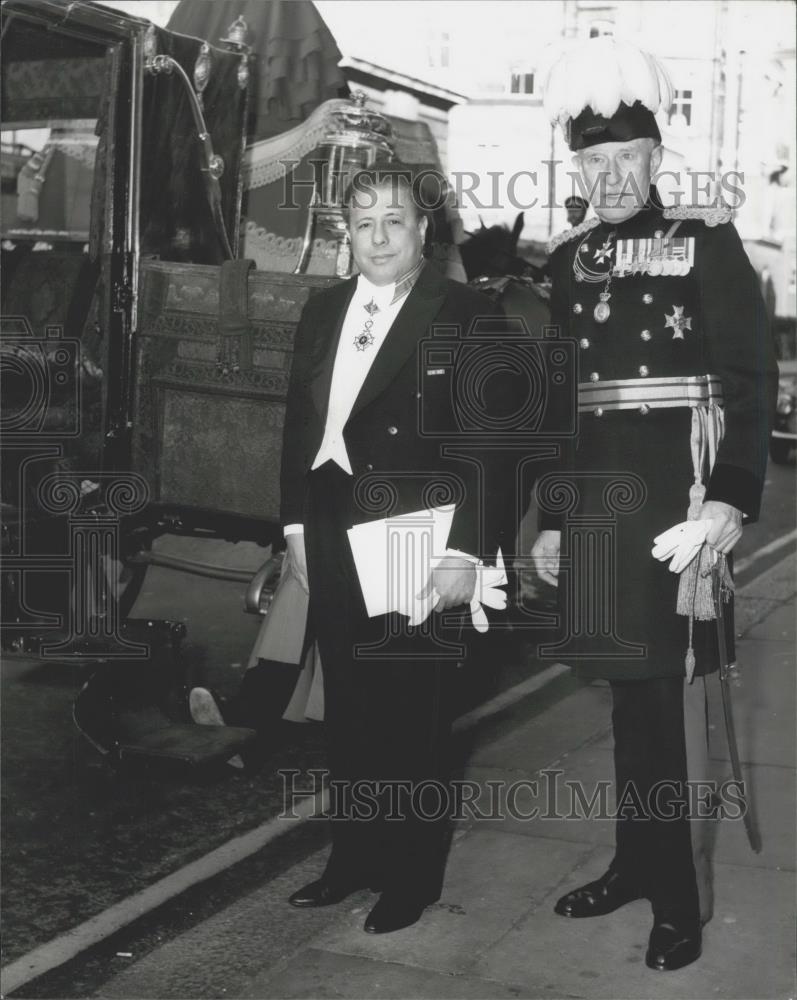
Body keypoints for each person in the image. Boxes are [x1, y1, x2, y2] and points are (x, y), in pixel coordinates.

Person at [533, 37, 777, 972]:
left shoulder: (703, 242)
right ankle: (636, 863)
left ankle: (677, 902)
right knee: (625, 707)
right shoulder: (566, 260)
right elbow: (558, 407)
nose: (607, 175)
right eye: (591, 161)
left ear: (655, 160)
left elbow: (748, 385)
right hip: (596, 506)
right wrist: (551, 517)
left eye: (624, 158)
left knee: (667, 711)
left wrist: (727, 504)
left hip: (673, 510)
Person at [275, 163, 507, 934]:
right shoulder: (323, 309)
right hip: (335, 524)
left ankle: (409, 878)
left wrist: (466, 553)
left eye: (394, 221)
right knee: (349, 707)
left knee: (412, 713)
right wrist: (297, 528)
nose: (378, 237)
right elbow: (297, 428)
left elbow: (492, 446)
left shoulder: (467, 314)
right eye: (363, 222)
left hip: (417, 533)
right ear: (349, 233)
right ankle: (354, 860)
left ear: (423, 232)